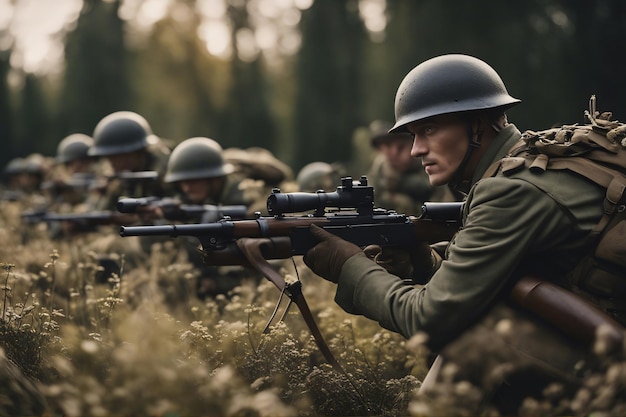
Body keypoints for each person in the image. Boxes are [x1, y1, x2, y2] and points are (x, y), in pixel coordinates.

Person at [302, 54, 622, 414]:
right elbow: (492, 278)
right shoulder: (528, 165)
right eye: (413, 134)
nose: (416, 149)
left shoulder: (510, 192)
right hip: (603, 335)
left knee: (473, 339)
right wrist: (425, 262)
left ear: (477, 125)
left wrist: (350, 267)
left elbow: (429, 321)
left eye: (429, 130)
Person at [160, 137, 267, 299]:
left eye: (193, 181)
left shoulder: (242, 195)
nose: (187, 187)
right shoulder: (205, 197)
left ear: (214, 178)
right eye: (183, 182)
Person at [367, 120, 458, 214]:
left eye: (400, 147)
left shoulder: (434, 167)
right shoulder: (379, 173)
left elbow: (443, 213)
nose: (393, 154)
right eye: (387, 147)